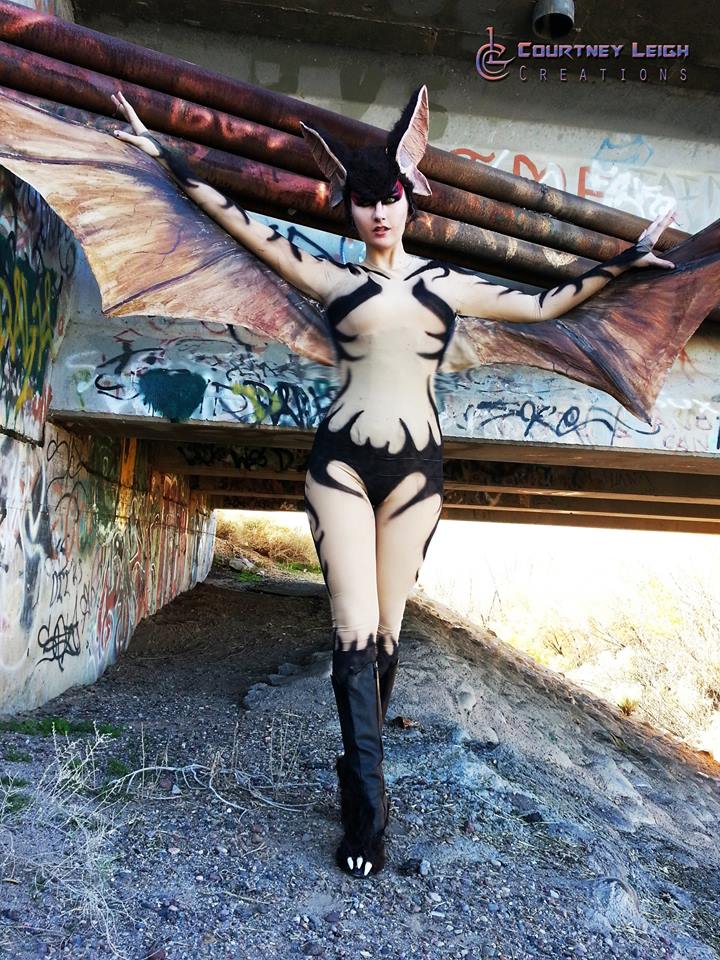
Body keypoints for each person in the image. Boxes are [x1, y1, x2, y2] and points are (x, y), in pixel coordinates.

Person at [111, 85, 676, 879]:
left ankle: (358, 770)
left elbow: (550, 302)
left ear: (408, 200)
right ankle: (367, 816)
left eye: (390, 198)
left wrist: (622, 262)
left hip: (416, 473)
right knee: (351, 632)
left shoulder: (447, 285)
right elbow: (238, 224)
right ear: (349, 209)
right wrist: (165, 159)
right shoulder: (331, 280)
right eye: (365, 201)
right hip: (340, 464)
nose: (379, 213)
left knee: (384, 639)